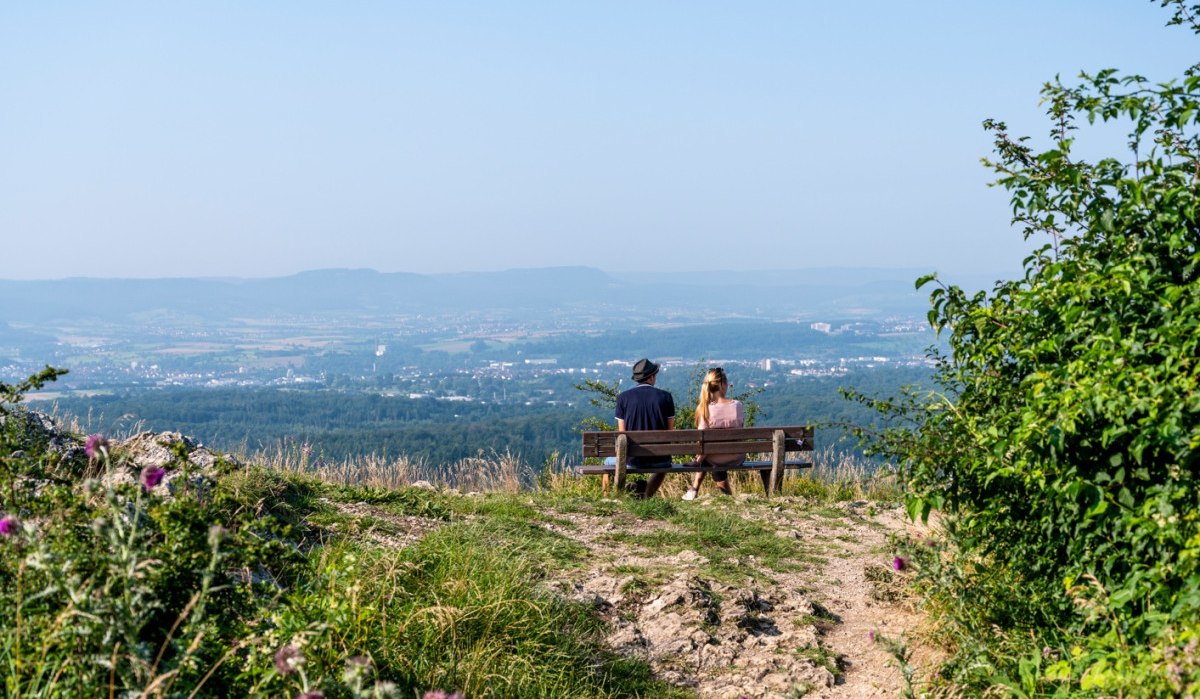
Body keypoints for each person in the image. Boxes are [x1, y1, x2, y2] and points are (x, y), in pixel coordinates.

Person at [681, 367, 766, 500]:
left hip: (713, 458)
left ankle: (694, 489)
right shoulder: (738, 405)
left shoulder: (704, 409)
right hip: (737, 457)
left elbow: (702, 443)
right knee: (712, 458)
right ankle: (725, 495)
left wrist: (697, 461)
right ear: (723, 385)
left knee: (709, 458)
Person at [609, 357, 675, 498]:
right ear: (651, 377)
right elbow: (670, 433)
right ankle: (647, 496)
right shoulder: (666, 397)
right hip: (660, 458)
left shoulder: (623, 398)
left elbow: (622, 434)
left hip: (632, 459)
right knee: (663, 466)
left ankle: (612, 497)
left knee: (607, 462)